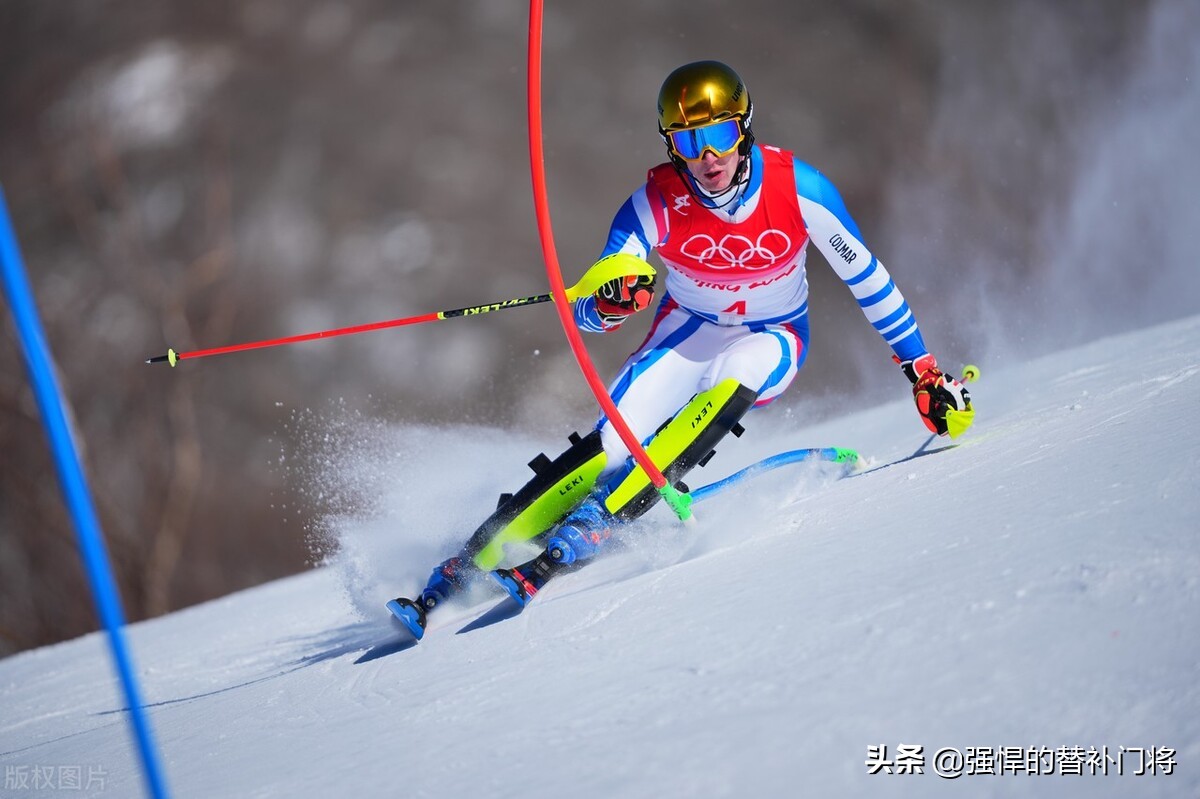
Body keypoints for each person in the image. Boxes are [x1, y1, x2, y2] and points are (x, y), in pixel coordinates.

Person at [390, 60, 973, 635]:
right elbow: (591, 309)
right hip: (688, 329)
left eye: (718, 135)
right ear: (672, 145)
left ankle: (595, 520)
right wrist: (608, 303)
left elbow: (868, 281)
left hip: (775, 333)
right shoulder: (653, 204)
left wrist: (921, 371)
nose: (708, 157)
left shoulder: (800, 189)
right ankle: (472, 558)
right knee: (616, 440)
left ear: (743, 129)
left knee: (740, 372)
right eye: (690, 142)